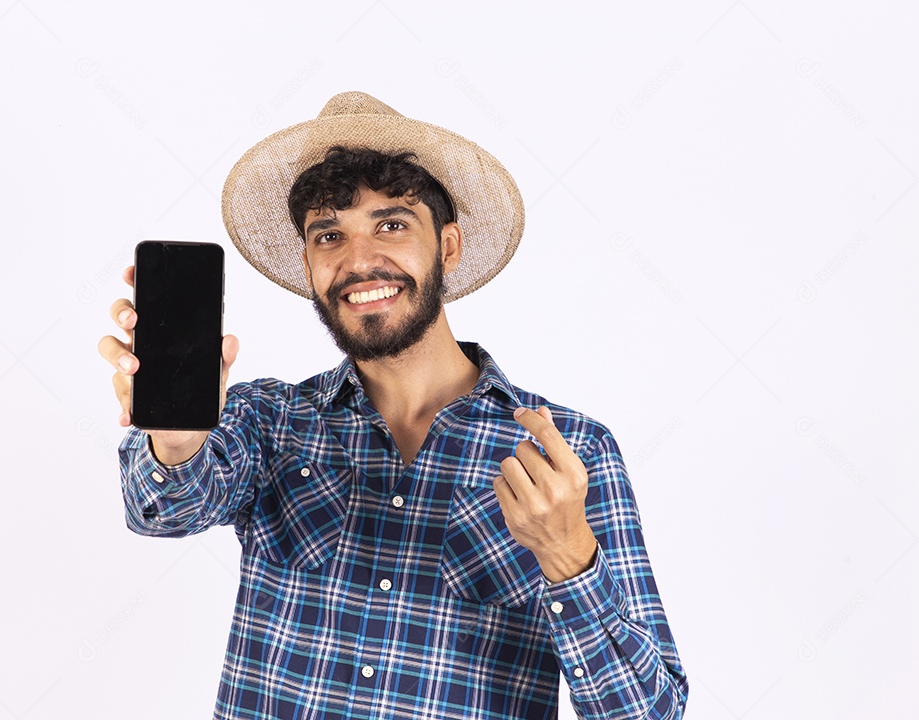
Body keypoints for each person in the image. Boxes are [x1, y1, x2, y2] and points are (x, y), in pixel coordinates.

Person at [99, 92, 688, 719]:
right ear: (308, 264)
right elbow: (163, 510)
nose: (357, 261)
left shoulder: (568, 453)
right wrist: (176, 439)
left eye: (391, 225)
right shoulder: (269, 420)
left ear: (449, 247)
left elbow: (648, 712)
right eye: (330, 235)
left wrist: (569, 557)